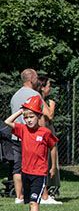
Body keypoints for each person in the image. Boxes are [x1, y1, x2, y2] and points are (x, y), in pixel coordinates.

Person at [4, 95, 58, 211]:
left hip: (39, 173)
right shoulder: (22, 130)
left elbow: (53, 147)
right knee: (32, 203)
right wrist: (22, 111)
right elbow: (7, 121)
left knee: (34, 202)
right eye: (26, 117)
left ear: (39, 116)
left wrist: (53, 167)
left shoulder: (45, 133)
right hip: (25, 172)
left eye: (32, 116)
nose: (28, 120)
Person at [8, 68, 41, 203]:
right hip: (30, 136)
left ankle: (18, 196)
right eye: (37, 77)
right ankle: (37, 194)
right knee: (33, 165)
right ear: (32, 78)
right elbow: (41, 115)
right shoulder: (35, 95)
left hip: (16, 135)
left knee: (17, 166)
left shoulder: (15, 95)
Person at [34, 76, 61, 204]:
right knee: (45, 163)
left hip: (45, 133)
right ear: (42, 87)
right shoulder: (40, 99)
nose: (50, 88)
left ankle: (45, 192)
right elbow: (49, 115)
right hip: (42, 135)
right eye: (49, 85)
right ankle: (44, 195)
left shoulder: (41, 99)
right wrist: (53, 106)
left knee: (49, 163)